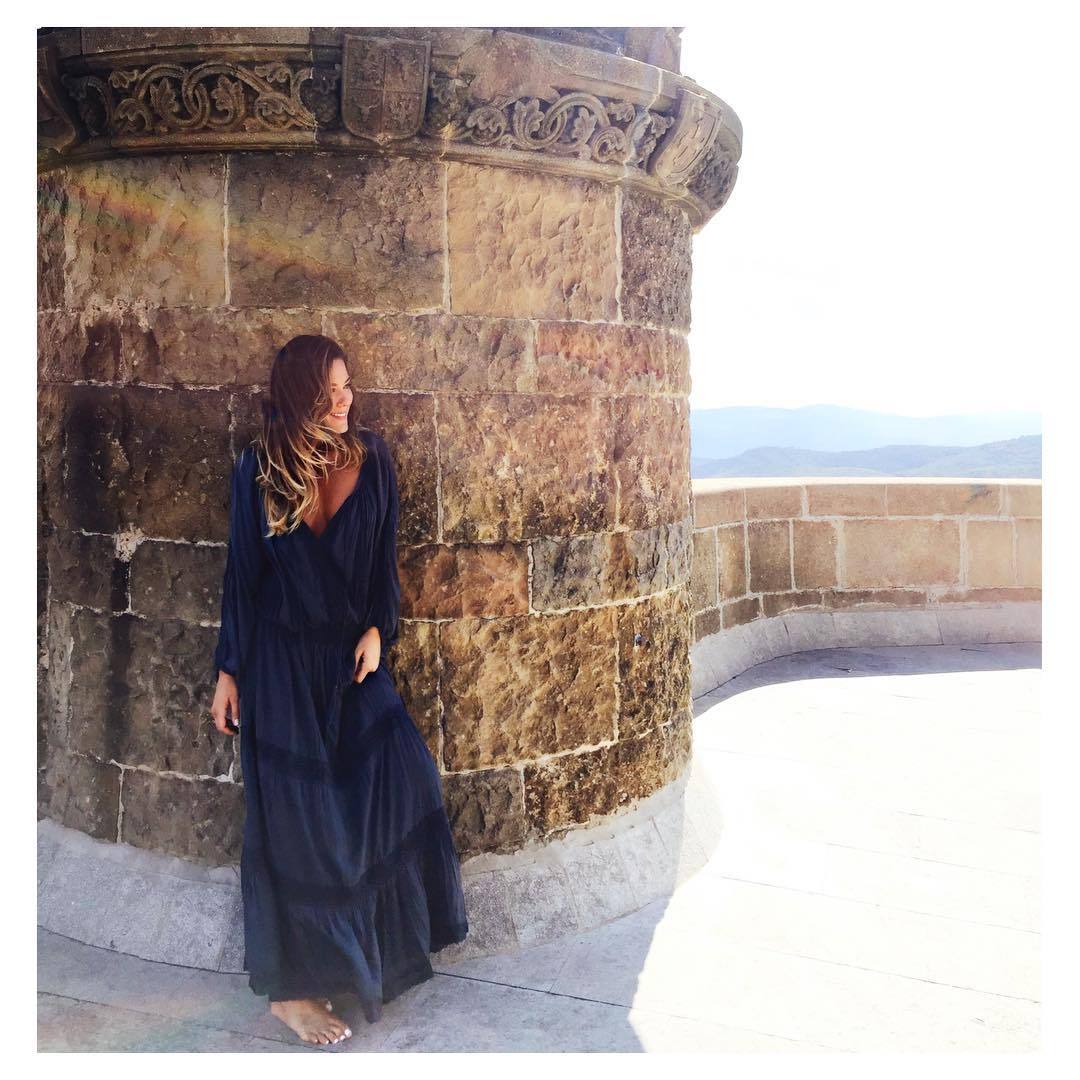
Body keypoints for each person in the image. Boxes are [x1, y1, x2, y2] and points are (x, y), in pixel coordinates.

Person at [209, 335, 469, 1046]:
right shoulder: (258, 469)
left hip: (352, 662)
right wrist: (229, 670)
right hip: (279, 670)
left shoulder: (372, 458)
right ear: (300, 396)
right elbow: (242, 577)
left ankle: (371, 957)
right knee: (297, 828)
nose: (343, 400)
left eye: (347, 385)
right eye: (328, 392)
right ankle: (290, 993)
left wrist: (380, 629)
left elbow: (385, 560)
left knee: (406, 778)